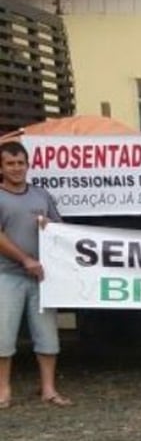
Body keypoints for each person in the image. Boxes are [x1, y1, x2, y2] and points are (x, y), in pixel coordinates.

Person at [0, 140, 71, 408]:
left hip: (42, 277)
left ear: (28, 165)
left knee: (47, 336)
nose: (17, 168)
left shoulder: (41, 195)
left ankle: (49, 389)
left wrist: (49, 226)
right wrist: (25, 259)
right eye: (10, 163)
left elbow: (61, 230)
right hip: (7, 275)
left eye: (21, 163)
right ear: (2, 167)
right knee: (3, 336)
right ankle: (4, 390)